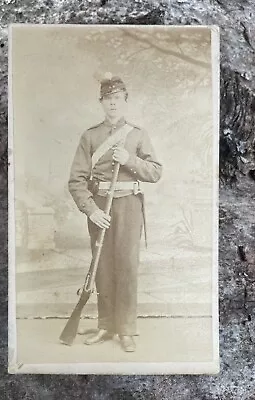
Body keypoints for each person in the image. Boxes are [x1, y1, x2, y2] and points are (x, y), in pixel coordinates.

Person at [68, 74, 162, 352]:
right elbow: (76, 180)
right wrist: (92, 210)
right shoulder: (90, 136)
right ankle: (105, 325)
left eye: (117, 99)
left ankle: (126, 330)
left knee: (127, 266)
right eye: (107, 100)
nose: (112, 104)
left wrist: (130, 160)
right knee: (102, 266)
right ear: (101, 103)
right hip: (99, 207)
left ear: (125, 101)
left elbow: (156, 171)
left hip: (128, 207)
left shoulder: (137, 134)